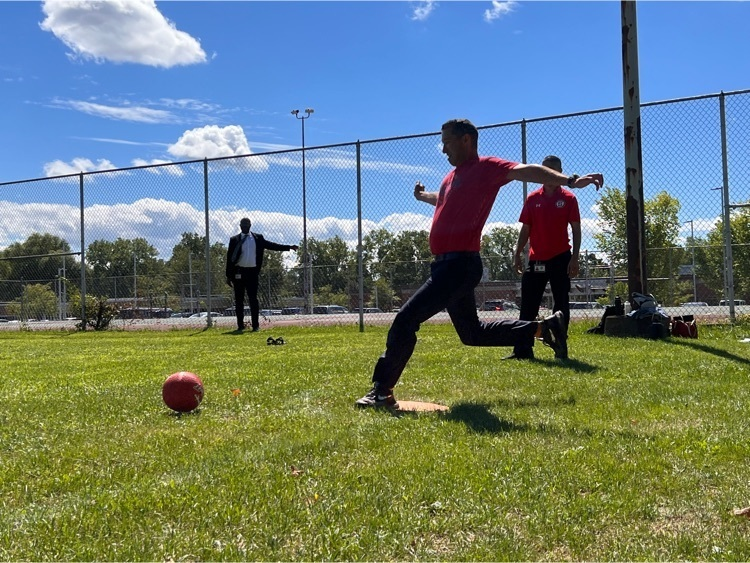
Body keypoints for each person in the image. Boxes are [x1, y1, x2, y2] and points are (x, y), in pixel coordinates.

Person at [356, 119, 603, 409]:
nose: (443, 148)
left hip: (458, 266)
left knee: (405, 321)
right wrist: (422, 196)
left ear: (466, 140)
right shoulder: (451, 177)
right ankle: (541, 329)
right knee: (473, 335)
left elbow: (527, 170)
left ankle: (382, 391)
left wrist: (570, 181)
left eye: (447, 141)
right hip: (448, 266)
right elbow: (444, 199)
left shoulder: (487, 167)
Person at [506, 155, 581, 360]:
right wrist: (518, 253)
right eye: (546, 170)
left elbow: (576, 230)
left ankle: (560, 346)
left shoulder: (569, 199)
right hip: (536, 259)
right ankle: (522, 350)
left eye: (555, 170)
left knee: (561, 303)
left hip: (561, 259)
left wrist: (574, 258)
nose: (550, 174)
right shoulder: (532, 199)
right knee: (528, 304)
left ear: (560, 172)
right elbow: (525, 229)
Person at [225, 217, 298, 332]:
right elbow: (229, 258)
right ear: (240, 226)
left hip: (252, 272)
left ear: (250, 226)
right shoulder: (234, 240)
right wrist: (228, 276)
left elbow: (273, 246)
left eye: (246, 225)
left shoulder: (257, 238)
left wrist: (288, 247)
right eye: (242, 225)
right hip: (239, 272)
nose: (244, 227)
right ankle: (240, 326)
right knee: (239, 300)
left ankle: (255, 326)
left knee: (253, 299)